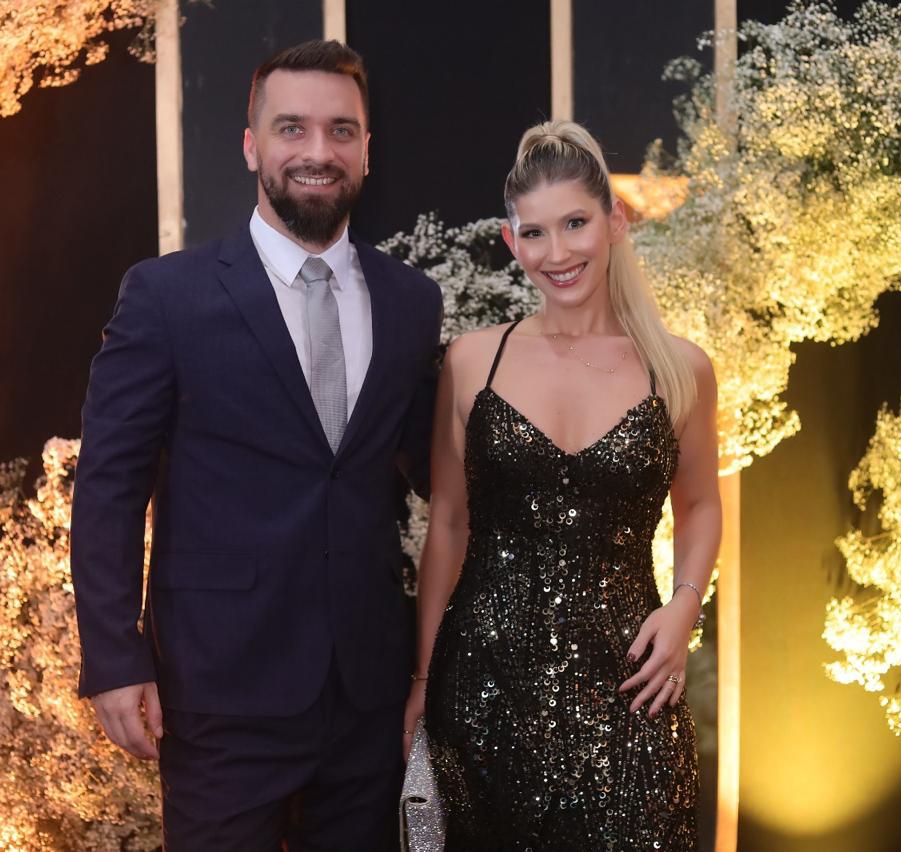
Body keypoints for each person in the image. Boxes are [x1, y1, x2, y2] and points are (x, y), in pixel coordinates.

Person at [70, 40, 443, 850]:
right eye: (291, 128)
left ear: (367, 150)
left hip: (368, 695)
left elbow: (434, 469)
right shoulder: (166, 296)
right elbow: (107, 487)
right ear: (251, 145)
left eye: (341, 131)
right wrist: (114, 658)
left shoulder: (412, 301)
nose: (318, 151)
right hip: (217, 694)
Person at [407, 121, 722, 850]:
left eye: (575, 223)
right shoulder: (471, 361)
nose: (558, 253)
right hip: (481, 695)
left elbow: (702, 503)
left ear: (615, 221)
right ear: (511, 242)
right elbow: (447, 525)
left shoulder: (681, 369)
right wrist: (422, 685)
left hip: (632, 692)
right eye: (535, 233)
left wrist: (685, 606)